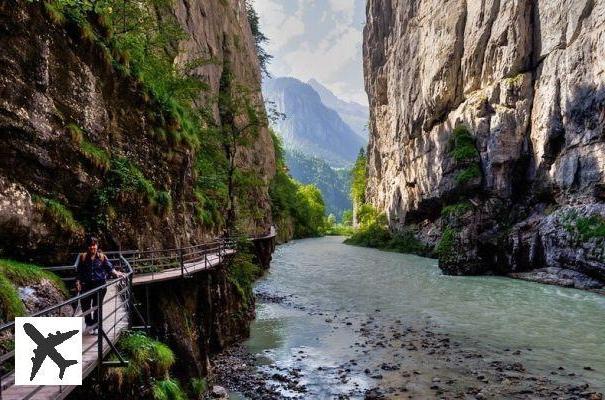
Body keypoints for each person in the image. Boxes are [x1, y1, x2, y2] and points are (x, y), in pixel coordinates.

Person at [75, 236, 124, 335]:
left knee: (97, 306)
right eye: (90, 245)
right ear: (87, 247)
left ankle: (97, 326)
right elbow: (79, 272)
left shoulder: (102, 257)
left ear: (97, 246)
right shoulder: (83, 257)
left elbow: (109, 268)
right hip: (86, 285)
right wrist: (77, 281)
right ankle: (89, 324)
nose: (92, 247)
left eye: (94, 245)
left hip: (99, 285)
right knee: (86, 306)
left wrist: (117, 273)